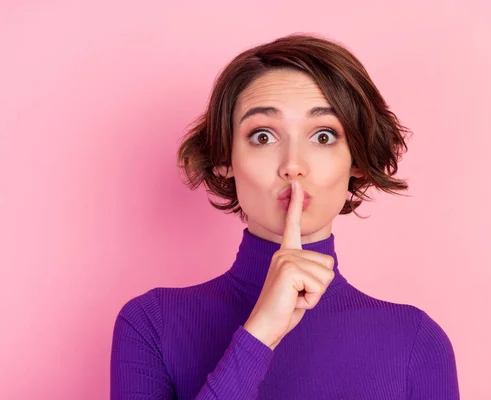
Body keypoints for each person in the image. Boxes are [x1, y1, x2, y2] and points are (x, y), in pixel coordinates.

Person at [110, 33, 460, 399]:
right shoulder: (151, 324)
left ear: (356, 160)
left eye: (323, 136)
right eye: (263, 136)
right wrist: (260, 334)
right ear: (224, 159)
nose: (293, 166)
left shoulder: (416, 342)